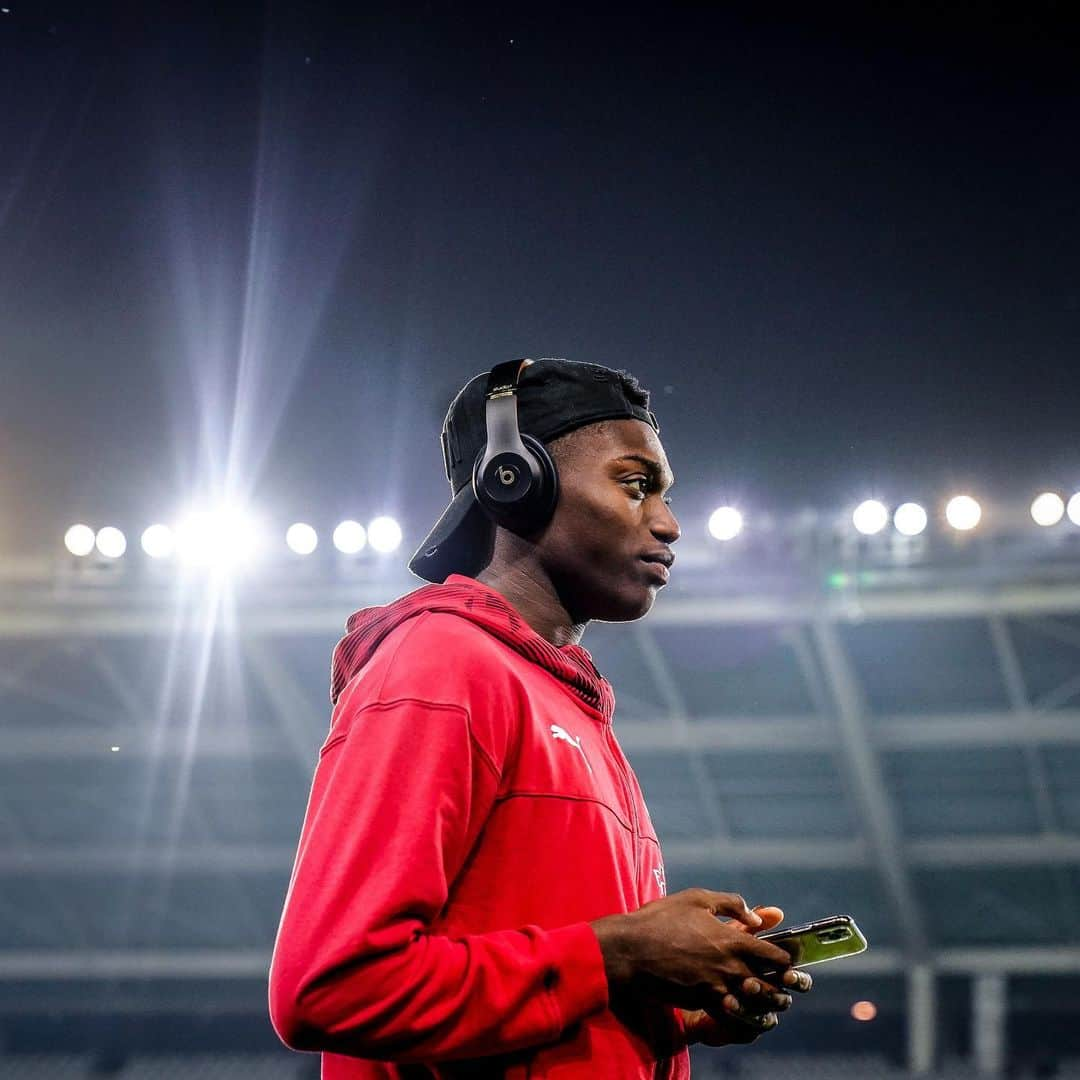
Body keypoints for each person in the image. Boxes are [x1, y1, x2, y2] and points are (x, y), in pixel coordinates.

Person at [269, 358, 812, 1078]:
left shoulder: (566, 703)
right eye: (635, 483)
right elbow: (330, 987)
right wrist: (624, 951)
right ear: (515, 482)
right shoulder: (441, 664)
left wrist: (669, 1003)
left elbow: (549, 983)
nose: (670, 524)